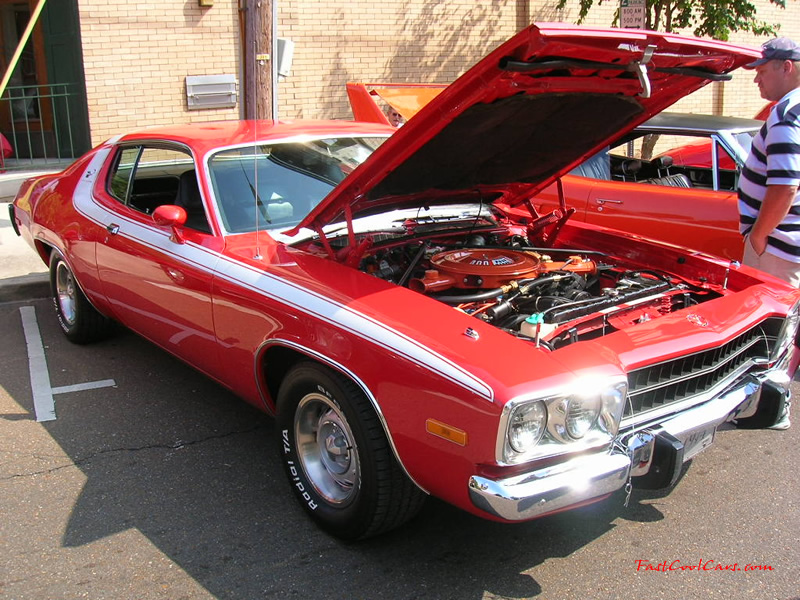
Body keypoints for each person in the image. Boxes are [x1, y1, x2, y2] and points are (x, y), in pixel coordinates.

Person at [738, 37, 800, 430]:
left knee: (771, 328)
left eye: (762, 71)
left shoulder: (786, 114)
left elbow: (785, 183)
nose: (757, 79)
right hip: (791, 243)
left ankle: (770, 410)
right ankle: (777, 404)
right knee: (788, 326)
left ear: (787, 67)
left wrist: (759, 235)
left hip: (777, 246)